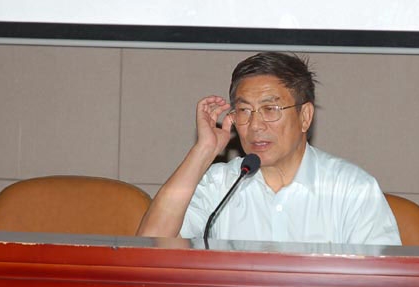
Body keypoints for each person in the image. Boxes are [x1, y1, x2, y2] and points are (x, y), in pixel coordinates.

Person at [137, 52, 401, 245]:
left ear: (305, 117)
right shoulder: (219, 185)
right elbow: (149, 246)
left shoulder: (351, 190)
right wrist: (203, 150)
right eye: (244, 110)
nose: (255, 125)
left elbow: (382, 285)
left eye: (270, 109)